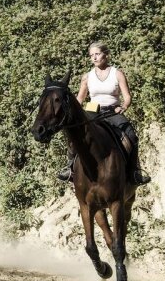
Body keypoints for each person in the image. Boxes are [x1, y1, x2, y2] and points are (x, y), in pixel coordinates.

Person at [57, 42, 151, 185]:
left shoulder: (117, 73)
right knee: (75, 135)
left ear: (106, 55)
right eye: (91, 55)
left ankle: (134, 171)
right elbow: (80, 99)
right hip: (92, 110)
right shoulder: (87, 77)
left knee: (131, 135)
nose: (94, 58)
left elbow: (127, 97)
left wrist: (124, 107)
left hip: (112, 111)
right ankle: (69, 167)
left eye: (97, 54)